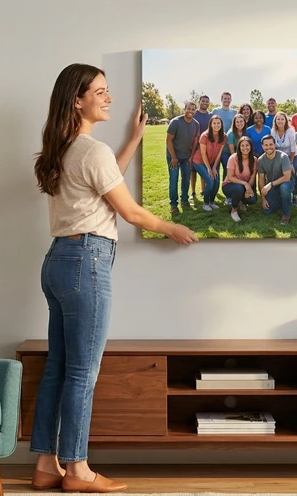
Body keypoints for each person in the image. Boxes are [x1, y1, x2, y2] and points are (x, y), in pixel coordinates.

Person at [31, 64, 198, 493]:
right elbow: (130, 212)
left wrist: (134, 141)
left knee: (59, 368)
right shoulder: (92, 151)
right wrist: (171, 227)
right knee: (83, 373)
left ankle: (47, 465)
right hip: (87, 261)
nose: (109, 99)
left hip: (57, 262)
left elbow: (105, 185)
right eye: (101, 92)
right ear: (77, 100)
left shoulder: (65, 149)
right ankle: (79, 470)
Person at [257, 135, 294, 224]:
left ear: (275, 145)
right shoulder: (261, 160)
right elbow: (261, 180)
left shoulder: (283, 157)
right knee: (267, 211)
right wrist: (263, 199)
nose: (268, 147)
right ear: (262, 146)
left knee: (284, 188)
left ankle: (286, 214)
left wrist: (271, 184)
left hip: (287, 183)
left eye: (271, 144)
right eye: (266, 145)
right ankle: (283, 200)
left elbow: (287, 177)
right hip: (273, 187)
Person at [222, 136, 259, 221]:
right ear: (239, 147)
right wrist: (245, 184)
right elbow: (230, 177)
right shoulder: (233, 158)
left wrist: (248, 188)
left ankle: (241, 201)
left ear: (250, 147)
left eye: (247, 145)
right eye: (242, 146)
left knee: (252, 200)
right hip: (229, 185)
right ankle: (234, 211)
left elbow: (253, 177)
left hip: (244, 186)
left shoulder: (254, 160)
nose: (245, 148)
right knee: (238, 189)